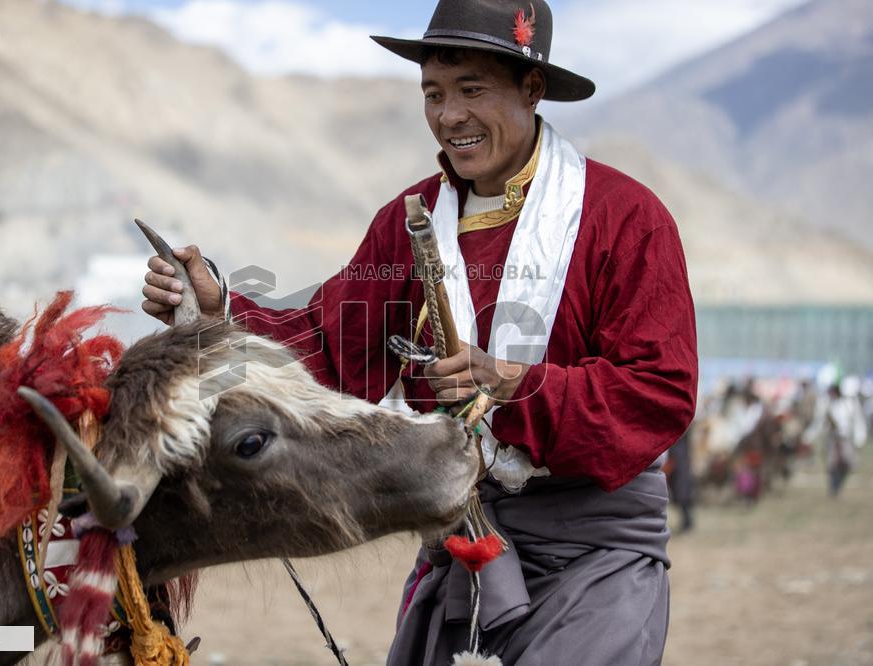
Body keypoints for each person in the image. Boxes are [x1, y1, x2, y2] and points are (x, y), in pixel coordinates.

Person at [142, 0, 697, 663]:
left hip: (593, 559)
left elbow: (660, 391)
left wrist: (512, 382)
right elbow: (331, 347)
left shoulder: (624, 218)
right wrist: (219, 311)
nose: (448, 115)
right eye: (433, 93)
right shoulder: (407, 225)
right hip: (461, 541)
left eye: (471, 90)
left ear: (532, 88)